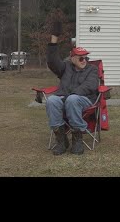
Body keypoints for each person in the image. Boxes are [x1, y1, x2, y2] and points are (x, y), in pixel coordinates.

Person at [46, 21, 99, 155]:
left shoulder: (92, 69)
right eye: (80, 58)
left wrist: (71, 95)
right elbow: (52, 62)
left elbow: (91, 85)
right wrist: (54, 39)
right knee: (52, 100)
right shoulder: (65, 67)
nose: (84, 61)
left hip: (84, 100)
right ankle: (61, 139)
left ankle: (77, 139)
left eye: (85, 57)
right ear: (72, 59)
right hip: (64, 98)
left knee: (72, 99)